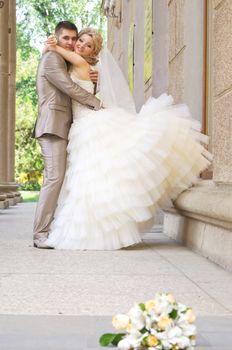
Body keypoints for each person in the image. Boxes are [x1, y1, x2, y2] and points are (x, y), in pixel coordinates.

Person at [43, 28, 211, 250]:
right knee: (95, 177)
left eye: (87, 45)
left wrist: (49, 45)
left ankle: (97, 231)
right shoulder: (82, 66)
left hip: (89, 124)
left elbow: (55, 49)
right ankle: (100, 228)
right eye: (80, 41)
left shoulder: (81, 64)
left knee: (92, 177)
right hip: (83, 124)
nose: (81, 45)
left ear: (94, 52)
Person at [32, 21, 102, 249]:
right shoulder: (52, 59)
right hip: (52, 125)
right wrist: (96, 102)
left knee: (59, 179)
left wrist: (93, 80)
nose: (72, 43)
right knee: (54, 178)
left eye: (75, 38)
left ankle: (49, 229)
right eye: (67, 39)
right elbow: (68, 87)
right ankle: (40, 234)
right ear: (57, 38)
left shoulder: (62, 59)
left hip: (63, 126)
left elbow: (75, 78)